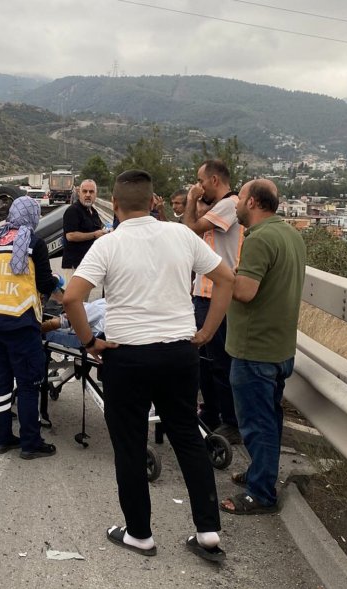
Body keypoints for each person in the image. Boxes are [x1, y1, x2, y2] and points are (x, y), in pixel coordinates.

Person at [63, 169, 235, 562]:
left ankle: (140, 534)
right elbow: (225, 279)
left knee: (129, 443)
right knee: (187, 438)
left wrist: (90, 342)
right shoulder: (181, 235)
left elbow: (74, 298)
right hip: (179, 353)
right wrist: (206, 331)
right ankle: (207, 532)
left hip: (127, 355)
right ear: (155, 201)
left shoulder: (109, 243)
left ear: (117, 206)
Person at [220, 179, 306, 515]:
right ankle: (261, 473)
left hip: (254, 349)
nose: (235, 204)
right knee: (269, 418)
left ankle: (261, 493)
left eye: (239, 198)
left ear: (253, 202)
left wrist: (219, 272)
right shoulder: (290, 234)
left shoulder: (258, 239)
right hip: (280, 346)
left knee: (257, 424)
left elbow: (244, 292)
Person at [0, 196, 58, 459]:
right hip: (19, 321)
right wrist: (57, 281)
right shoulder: (33, 242)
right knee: (29, 383)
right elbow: (43, 284)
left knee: (0, 381)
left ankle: (2, 439)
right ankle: (31, 443)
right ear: (32, 215)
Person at [183, 160, 244, 444]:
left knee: (220, 360)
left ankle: (230, 421)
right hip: (204, 292)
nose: (199, 186)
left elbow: (189, 229)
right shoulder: (218, 207)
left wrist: (192, 199)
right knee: (204, 360)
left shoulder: (230, 205)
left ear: (215, 180)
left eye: (201, 181)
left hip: (218, 295)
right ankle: (211, 412)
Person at [60, 180, 104, 285]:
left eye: (91, 192)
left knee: (84, 301)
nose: (88, 195)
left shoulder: (93, 212)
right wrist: (94, 234)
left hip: (88, 264)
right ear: (79, 193)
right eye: (85, 191)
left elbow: (99, 229)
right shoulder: (73, 211)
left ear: (95, 194)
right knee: (74, 299)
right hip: (74, 266)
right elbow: (70, 236)